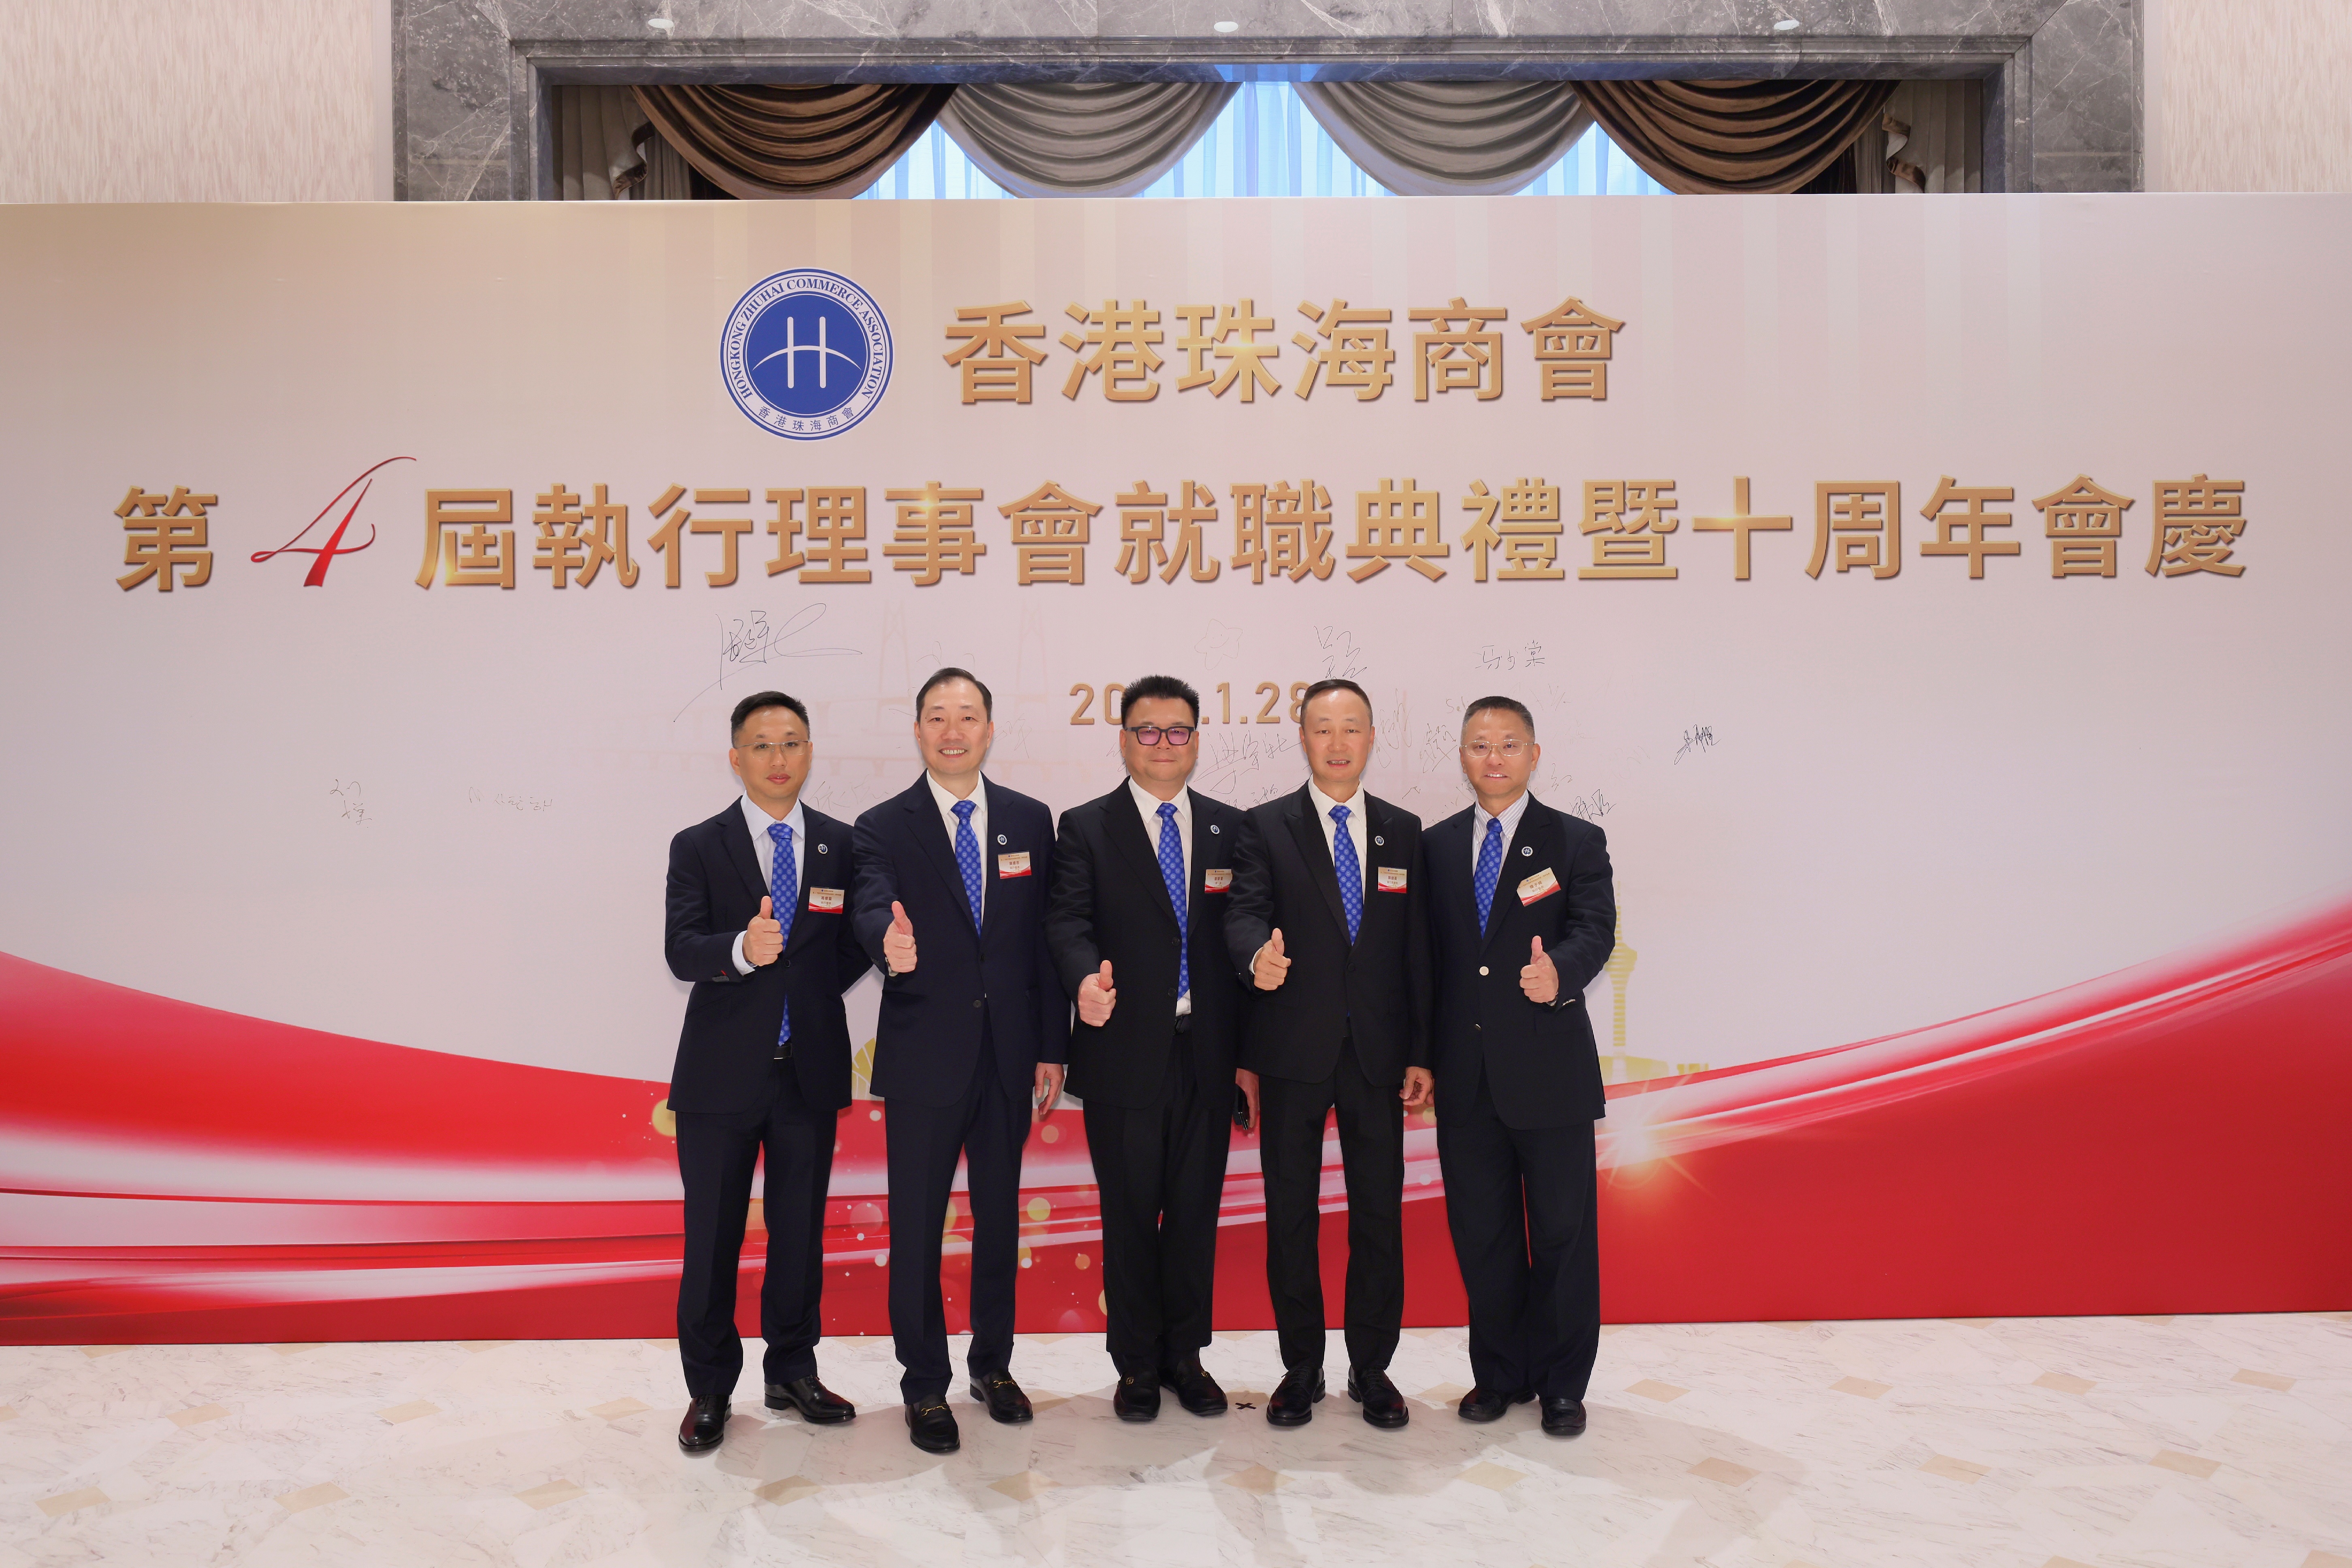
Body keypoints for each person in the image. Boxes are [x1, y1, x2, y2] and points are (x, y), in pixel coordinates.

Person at [850, 668, 1069, 1455]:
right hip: (924, 1059)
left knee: (999, 1218)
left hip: (1010, 1056)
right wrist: (885, 940)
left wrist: (1052, 1046)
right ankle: (923, 1384)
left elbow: (1045, 940)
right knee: (917, 1227)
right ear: (917, 731)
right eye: (938, 717)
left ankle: (993, 1367)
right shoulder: (882, 826)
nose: (953, 731)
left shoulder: (1029, 820)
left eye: (968, 716)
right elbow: (868, 901)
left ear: (989, 729)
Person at [661, 690, 873, 1454]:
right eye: (761, 744)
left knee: (798, 1238)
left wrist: (805, 992)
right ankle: (710, 1389)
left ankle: (793, 1371)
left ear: (809, 753)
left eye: (791, 743)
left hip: (807, 1074)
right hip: (719, 1078)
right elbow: (681, 949)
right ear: (736, 757)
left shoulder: (842, 845)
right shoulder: (699, 845)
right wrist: (743, 951)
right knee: (712, 1240)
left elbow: (853, 945)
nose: (777, 758)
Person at [1225, 678, 1432, 1430]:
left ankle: (1372, 1368)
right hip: (1292, 1050)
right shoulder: (1265, 826)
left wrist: (1421, 1052)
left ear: (1371, 738)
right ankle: (1301, 1367)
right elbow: (1243, 914)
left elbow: (1418, 951)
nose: (1337, 743)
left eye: (1351, 729)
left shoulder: (1404, 831)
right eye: (1323, 728)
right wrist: (1257, 957)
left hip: (1378, 1056)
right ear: (1303, 738)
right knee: (1292, 1214)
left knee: (1378, 1213)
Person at [1044, 674, 1246, 1422]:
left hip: (1208, 1053)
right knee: (1129, 1214)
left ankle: (1184, 1357)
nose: (1164, 744)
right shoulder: (1086, 827)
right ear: (1125, 740)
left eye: (1178, 731)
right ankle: (1134, 1363)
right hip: (1124, 1048)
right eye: (1148, 731)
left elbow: (1244, 931)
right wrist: (1081, 983)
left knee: (1195, 1213)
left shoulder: (1231, 829)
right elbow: (1067, 922)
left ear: (1196, 740)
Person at [1423, 697, 1617, 1438]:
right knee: (1485, 1234)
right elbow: (1425, 962)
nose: (1494, 757)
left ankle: (1563, 1386)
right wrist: (1421, 1057)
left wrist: (1560, 974)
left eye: (1509, 744)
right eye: (1480, 744)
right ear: (1463, 757)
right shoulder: (1436, 846)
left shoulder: (1575, 840)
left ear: (1534, 755)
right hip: (1465, 1077)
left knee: (1564, 1235)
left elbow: (1595, 929)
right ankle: (1500, 1375)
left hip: (1550, 1075)